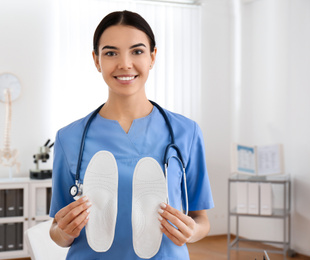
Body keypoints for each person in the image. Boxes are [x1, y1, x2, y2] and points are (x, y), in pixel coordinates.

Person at [49, 10, 214, 259]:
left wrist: (191, 233)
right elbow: (56, 228)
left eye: (137, 51)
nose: (125, 63)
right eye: (111, 53)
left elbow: (201, 219)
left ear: (152, 57)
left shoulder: (186, 132)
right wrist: (64, 233)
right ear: (96, 60)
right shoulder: (69, 138)